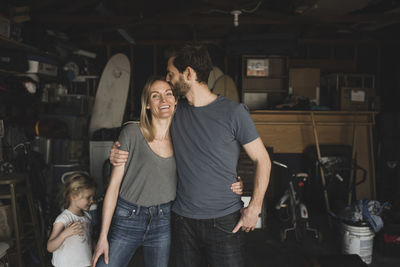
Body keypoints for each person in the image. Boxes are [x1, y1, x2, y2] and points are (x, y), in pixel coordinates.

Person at [110, 43, 271, 267]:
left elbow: (262, 160)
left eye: (171, 74)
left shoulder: (234, 112)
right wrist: (117, 151)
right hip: (182, 221)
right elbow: (143, 130)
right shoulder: (175, 112)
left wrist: (254, 207)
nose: (167, 79)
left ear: (188, 74)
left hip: (225, 221)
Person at [91, 76, 243, 267]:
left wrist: (234, 183)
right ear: (147, 104)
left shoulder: (183, 136)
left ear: (175, 101)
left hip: (163, 220)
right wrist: (102, 236)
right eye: (155, 96)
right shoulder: (132, 133)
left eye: (168, 94)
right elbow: (113, 188)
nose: (163, 100)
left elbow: (206, 167)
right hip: (128, 216)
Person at [47, 172, 96, 267]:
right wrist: (64, 234)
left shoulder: (87, 217)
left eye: (93, 197)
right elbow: (50, 247)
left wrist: (96, 247)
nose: (92, 201)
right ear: (73, 196)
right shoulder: (63, 219)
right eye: (88, 197)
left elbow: (87, 238)